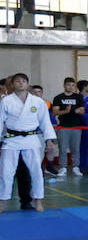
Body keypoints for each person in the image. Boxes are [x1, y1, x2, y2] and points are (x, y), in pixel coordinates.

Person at [0, 73, 57, 212]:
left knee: (36, 171)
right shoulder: (6, 101)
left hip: (31, 139)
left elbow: (45, 122)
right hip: (11, 139)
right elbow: (0, 121)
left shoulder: (38, 102)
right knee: (5, 172)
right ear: (13, 85)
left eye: (23, 81)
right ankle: (2, 203)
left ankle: (38, 201)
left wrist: (49, 140)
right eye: (17, 81)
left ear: (28, 84)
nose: (21, 83)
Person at [51, 77, 83, 178]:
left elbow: (82, 111)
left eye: (73, 85)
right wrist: (66, 111)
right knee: (63, 148)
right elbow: (55, 111)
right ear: (64, 85)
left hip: (76, 126)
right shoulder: (58, 97)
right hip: (63, 126)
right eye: (69, 85)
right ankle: (63, 167)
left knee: (76, 148)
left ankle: (75, 167)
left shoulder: (78, 97)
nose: (71, 87)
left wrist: (72, 110)